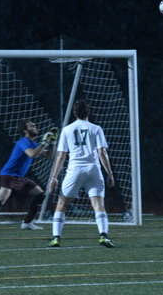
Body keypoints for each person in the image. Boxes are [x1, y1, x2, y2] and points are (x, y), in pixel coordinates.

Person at [47, 100, 116, 247]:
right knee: (98, 204)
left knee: (62, 203)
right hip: (93, 168)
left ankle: (56, 237)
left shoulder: (67, 130)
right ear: (89, 112)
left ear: (74, 113)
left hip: (75, 169)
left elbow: (61, 156)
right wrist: (109, 173)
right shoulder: (96, 128)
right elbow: (102, 152)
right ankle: (103, 236)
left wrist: (54, 178)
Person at [0, 121, 56, 231]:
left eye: (35, 125)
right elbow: (32, 154)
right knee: (1, 200)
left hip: (19, 177)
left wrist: (52, 143)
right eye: (32, 126)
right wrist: (44, 143)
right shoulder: (23, 141)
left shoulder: (34, 144)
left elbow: (50, 156)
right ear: (25, 130)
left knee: (40, 195)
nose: (35, 127)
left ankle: (27, 223)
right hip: (8, 175)